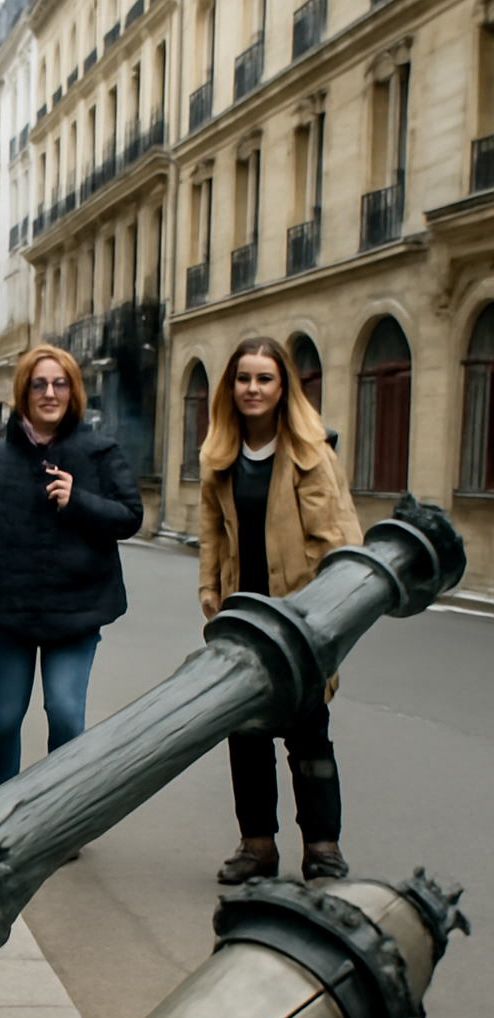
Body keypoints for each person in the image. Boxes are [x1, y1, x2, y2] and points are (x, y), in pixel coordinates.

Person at [0, 344, 143, 790]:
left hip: (75, 612)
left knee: (65, 713)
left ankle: (58, 810)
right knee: (2, 719)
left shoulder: (101, 452)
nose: (50, 393)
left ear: (73, 392)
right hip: (7, 612)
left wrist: (78, 500)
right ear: (24, 393)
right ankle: (4, 811)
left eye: (60, 384)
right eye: (39, 385)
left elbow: (130, 517)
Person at [198, 335, 363, 885]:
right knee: (245, 731)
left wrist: (335, 611)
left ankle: (322, 847)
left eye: (264, 378)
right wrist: (209, 591)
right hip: (243, 618)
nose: (253, 388)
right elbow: (212, 534)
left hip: (304, 617)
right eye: (243, 378)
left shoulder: (313, 453)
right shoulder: (220, 456)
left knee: (309, 734)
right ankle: (257, 846)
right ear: (231, 388)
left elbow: (340, 535)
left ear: (283, 387)